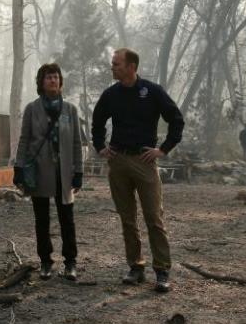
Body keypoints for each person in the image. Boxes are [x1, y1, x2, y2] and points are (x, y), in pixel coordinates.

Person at [91, 48, 184, 293]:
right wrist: (101, 147)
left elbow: (176, 119)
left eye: (117, 64)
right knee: (127, 218)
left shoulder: (152, 92)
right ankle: (136, 267)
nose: (113, 68)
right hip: (118, 161)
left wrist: (162, 150)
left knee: (154, 217)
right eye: (113, 64)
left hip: (144, 161)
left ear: (132, 66)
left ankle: (162, 271)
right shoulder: (111, 94)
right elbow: (97, 120)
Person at [14, 63, 83, 281]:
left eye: (55, 77)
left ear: (60, 81)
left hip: (63, 171)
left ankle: (70, 262)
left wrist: (78, 171)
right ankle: (45, 261)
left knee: (67, 219)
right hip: (39, 170)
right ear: (41, 82)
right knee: (41, 219)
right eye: (48, 77)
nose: (53, 80)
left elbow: (76, 142)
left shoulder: (70, 109)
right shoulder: (32, 108)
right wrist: (18, 168)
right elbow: (24, 139)